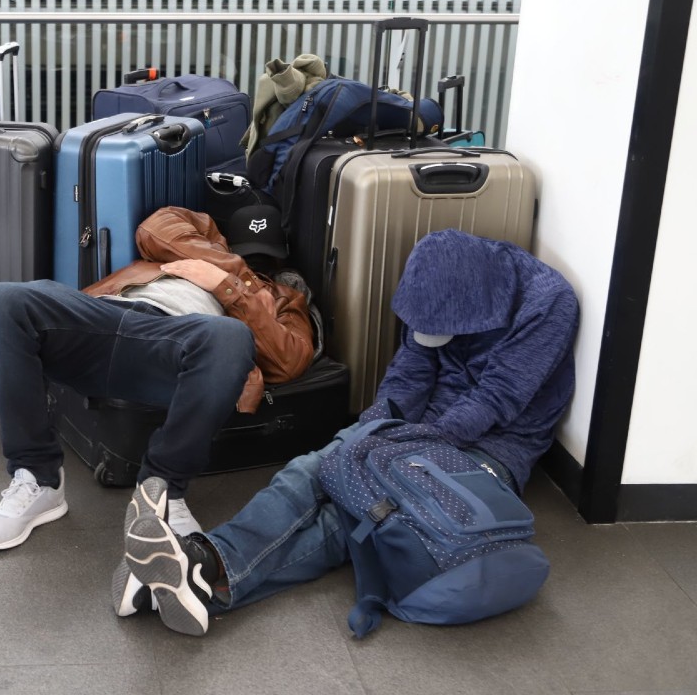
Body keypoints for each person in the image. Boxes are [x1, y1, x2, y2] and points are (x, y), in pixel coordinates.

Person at [121, 228, 581, 636]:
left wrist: (392, 448)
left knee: (356, 515)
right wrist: (369, 430)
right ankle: (202, 571)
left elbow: (496, 399)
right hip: (416, 428)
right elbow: (411, 371)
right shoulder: (436, 282)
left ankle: (204, 567)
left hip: (490, 448)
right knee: (312, 471)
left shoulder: (548, 302)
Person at [0, 204, 316, 556]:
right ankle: (37, 480)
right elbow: (156, 226)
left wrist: (229, 286)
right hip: (107, 315)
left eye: (266, 260)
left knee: (229, 337)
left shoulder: (282, 298)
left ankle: (161, 491)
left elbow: (288, 360)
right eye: (248, 255)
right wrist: (218, 259)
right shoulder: (200, 248)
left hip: (176, 346)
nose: (255, 265)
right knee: (2, 300)